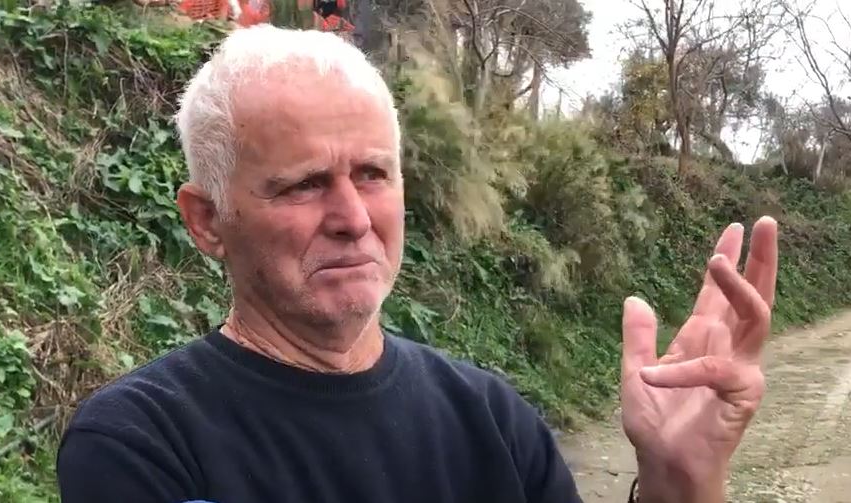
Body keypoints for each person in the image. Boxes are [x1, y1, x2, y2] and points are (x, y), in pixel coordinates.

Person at [56, 24, 779, 503]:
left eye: (373, 174)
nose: (353, 217)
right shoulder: (142, 445)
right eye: (304, 184)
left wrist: (679, 485)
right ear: (208, 221)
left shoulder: (492, 420)